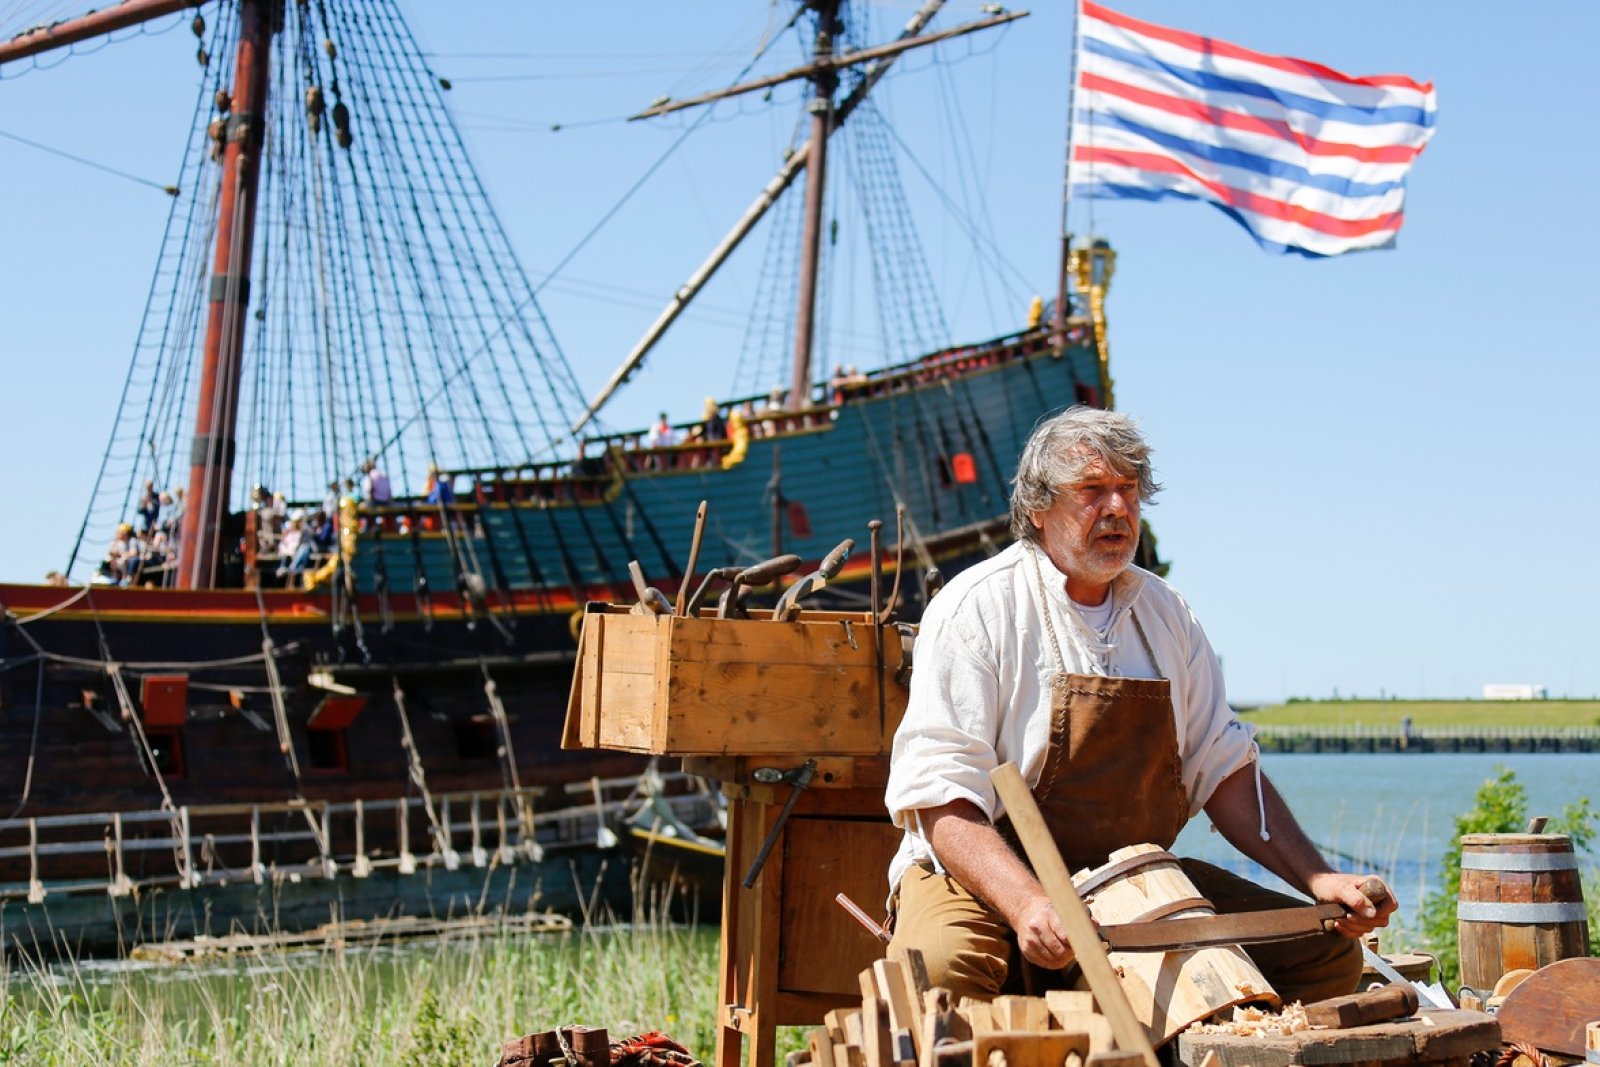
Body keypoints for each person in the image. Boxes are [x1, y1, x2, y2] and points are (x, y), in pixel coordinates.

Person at [882, 408, 1393, 1008]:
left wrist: (1318, 878)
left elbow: (1224, 767)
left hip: (1134, 880)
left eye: (1128, 490)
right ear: (1039, 509)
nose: (1118, 509)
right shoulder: (977, 608)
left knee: (1324, 953)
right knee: (936, 975)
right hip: (983, 880)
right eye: (1092, 491)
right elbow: (942, 798)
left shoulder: (1166, 613)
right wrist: (1028, 904)